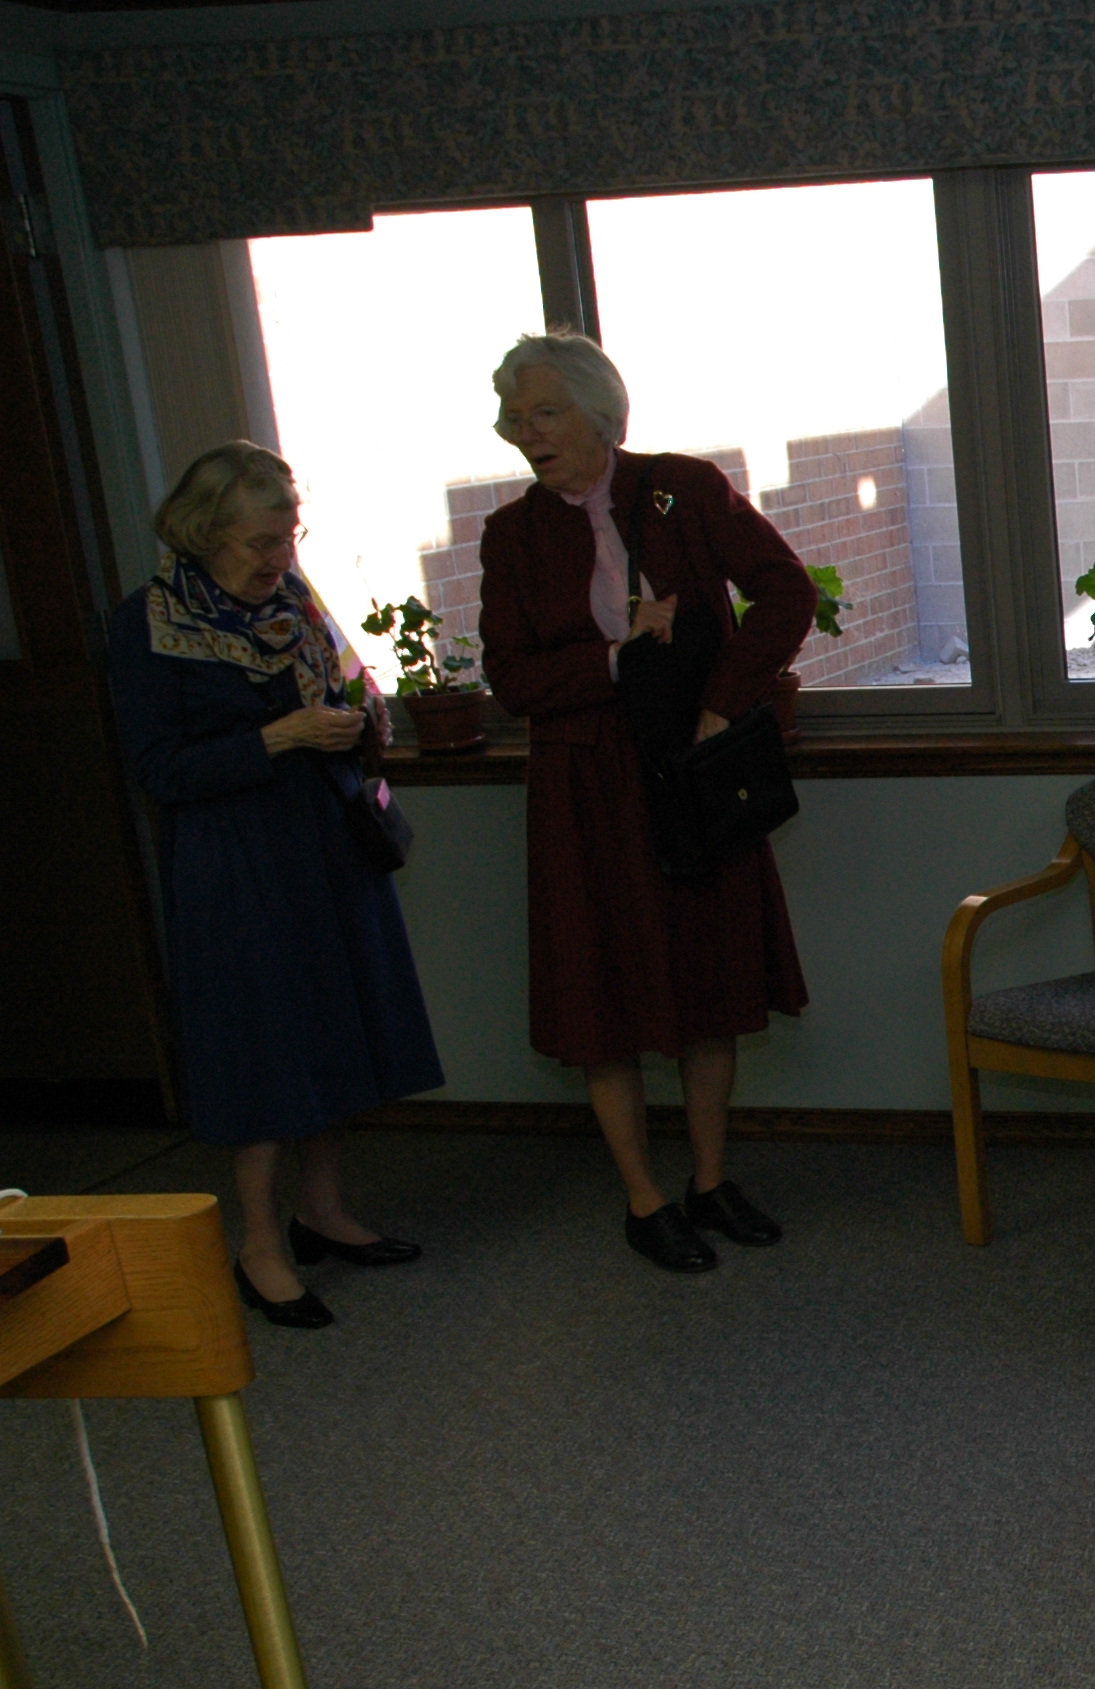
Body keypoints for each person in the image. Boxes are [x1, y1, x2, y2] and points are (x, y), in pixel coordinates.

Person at [477, 331, 813, 1272]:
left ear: (601, 417)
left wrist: (723, 704)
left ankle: (709, 1180)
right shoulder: (511, 535)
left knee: (709, 982)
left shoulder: (681, 491)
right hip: (584, 786)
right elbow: (512, 680)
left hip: (689, 767)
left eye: (545, 413)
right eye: (514, 418)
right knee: (605, 994)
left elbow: (785, 594)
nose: (526, 433)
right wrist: (616, 659)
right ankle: (643, 1198)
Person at [106, 442, 444, 1328]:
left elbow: (353, 691)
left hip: (325, 842)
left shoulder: (295, 604)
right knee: (262, 1049)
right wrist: (280, 737)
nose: (279, 557)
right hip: (233, 862)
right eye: (260, 541)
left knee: (335, 1032)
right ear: (203, 530)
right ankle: (258, 1245)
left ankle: (320, 1212)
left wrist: (355, 719)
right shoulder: (148, 623)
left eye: (288, 536)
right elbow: (159, 769)